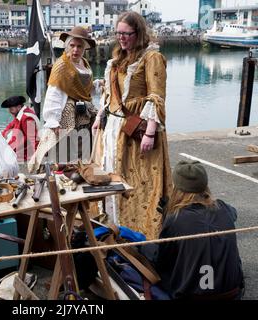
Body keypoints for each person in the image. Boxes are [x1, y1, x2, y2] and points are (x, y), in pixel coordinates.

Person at [92, 12, 172, 239]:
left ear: (139, 33)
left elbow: (157, 96)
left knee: (138, 183)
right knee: (112, 175)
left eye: (127, 34)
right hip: (114, 129)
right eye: (118, 33)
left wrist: (149, 133)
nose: (122, 38)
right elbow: (109, 95)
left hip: (137, 132)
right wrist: (99, 117)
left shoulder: (151, 58)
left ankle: (139, 233)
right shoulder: (117, 59)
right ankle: (113, 225)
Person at [155, 160, 244, 300]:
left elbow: (162, 259)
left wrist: (167, 215)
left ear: (177, 188)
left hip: (191, 295)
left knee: (152, 256)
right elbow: (232, 214)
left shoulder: (175, 219)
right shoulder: (224, 208)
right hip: (232, 293)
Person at [28, 26, 99, 172]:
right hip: (67, 118)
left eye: (79, 46)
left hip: (85, 115)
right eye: (72, 45)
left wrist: (98, 85)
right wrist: (53, 121)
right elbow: (53, 94)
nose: (75, 50)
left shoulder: (84, 63)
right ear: (67, 45)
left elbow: (85, 88)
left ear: (84, 48)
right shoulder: (61, 66)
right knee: (65, 156)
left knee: (82, 154)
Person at [1, 95, 40, 162]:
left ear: (19, 107)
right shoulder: (21, 114)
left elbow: (33, 140)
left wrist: (36, 158)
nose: (9, 111)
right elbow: (10, 127)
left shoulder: (27, 117)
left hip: (26, 154)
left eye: (11, 109)